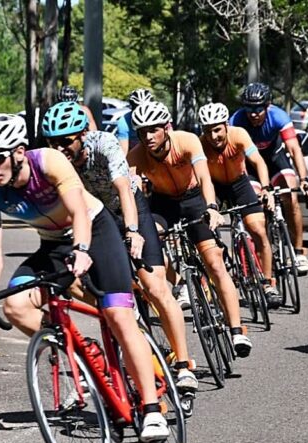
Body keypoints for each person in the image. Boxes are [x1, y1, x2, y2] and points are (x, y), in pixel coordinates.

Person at [0, 114, 169, 443]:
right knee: (16, 306)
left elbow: (78, 211)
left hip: (95, 230)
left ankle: (151, 409)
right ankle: (81, 348)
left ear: (19, 151)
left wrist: (81, 249)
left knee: (118, 315)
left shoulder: (48, 161)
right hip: (52, 244)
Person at [41, 101, 199, 392]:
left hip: (128, 208)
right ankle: (136, 353)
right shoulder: (55, 163)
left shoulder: (104, 144)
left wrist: (134, 231)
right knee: (110, 296)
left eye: (65, 142)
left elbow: (124, 189)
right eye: (53, 143)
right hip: (98, 220)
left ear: (83, 135)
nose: (59, 148)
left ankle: (184, 364)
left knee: (154, 285)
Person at [127, 101, 252, 358]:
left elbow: (205, 177)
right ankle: (177, 286)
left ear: (166, 127)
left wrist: (212, 207)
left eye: (153, 130)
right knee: (154, 246)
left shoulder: (186, 141)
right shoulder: (136, 156)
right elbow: (130, 191)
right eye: (142, 132)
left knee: (214, 262)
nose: (148, 137)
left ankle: (237, 329)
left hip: (194, 199)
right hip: (163, 205)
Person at [199, 101, 282, 308]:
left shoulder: (239, 135)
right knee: (206, 229)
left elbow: (259, 162)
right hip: (215, 187)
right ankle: (223, 259)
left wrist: (266, 189)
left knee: (257, 229)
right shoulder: (200, 144)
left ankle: (267, 283)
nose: (213, 136)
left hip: (240, 184)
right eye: (208, 131)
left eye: (217, 130)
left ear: (226, 125)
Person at [230, 82, 308, 275]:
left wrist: (304, 179)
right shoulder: (235, 120)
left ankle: (299, 251)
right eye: (249, 108)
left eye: (258, 108)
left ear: (267, 106)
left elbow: (294, 149)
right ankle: (261, 251)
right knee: (255, 202)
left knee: (290, 198)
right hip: (251, 165)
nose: (253, 114)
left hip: (276, 160)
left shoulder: (278, 116)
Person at [116, 88, 153, 154]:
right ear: (132, 108)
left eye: (146, 109)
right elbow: (123, 154)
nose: (142, 114)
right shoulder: (124, 122)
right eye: (138, 110)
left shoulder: (160, 119)